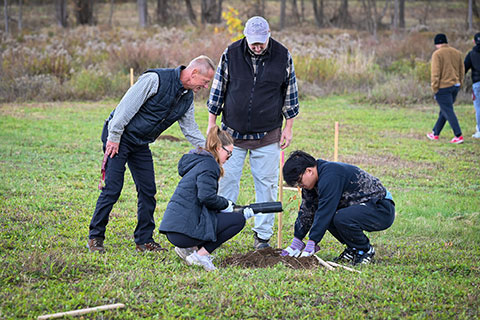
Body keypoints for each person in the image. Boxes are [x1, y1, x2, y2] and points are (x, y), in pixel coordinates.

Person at [87, 55, 216, 253]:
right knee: (113, 188)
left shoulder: (187, 97)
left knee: (148, 190)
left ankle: (144, 241)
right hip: (119, 136)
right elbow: (124, 108)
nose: (205, 87)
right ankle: (95, 237)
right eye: (205, 82)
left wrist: (210, 149)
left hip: (140, 143)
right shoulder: (155, 80)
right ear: (194, 72)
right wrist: (113, 136)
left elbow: (190, 129)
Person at [206, 16, 299, 249]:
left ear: (268, 35)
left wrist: (288, 128)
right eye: (253, 42)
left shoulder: (283, 55)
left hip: (267, 134)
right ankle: (219, 230)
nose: (257, 46)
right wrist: (211, 124)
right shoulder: (231, 53)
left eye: (261, 41)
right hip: (231, 136)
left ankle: (263, 237)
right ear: (246, 37)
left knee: (266, 185)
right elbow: (218, 90)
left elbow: (290, 94)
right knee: (225, 182)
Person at [159, 126, 252, 271]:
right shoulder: (210, 166)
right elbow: (206, 197)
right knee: (238, 220)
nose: (229, 158)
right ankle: (200, 255)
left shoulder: (200, 161)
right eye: (229, 154)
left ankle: (188, 248)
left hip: (174, 231)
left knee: (223, 216)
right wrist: (226, 204)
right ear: (219, 148)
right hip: (182, 233)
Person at [280, 151, 395, 266]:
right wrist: (297, 240)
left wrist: (312, 242)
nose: (299, 186)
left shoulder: (330, 176)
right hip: (360, 207)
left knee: (339, 217)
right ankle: (353, 248)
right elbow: (307, 210)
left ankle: (364, 250)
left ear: (309, 171)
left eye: (299, 181)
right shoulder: (311, 183)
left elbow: (325, 211)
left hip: (381, 208)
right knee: (332, 217)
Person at [427, 33, 465, 144]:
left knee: (448, 111)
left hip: (443, 87)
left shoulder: (437, 54)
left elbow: (435, 73)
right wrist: (460, 83)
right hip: (455, 86)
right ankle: (435, 133)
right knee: (445, 110)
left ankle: (458, 135)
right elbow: (461, 71)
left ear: (437, 43)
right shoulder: (457, 53)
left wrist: (434, 87)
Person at [464, 32, 480, 139]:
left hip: (477, 84)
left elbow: (464, 69)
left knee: (478, 107)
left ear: (474, 42)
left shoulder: (471, 54)